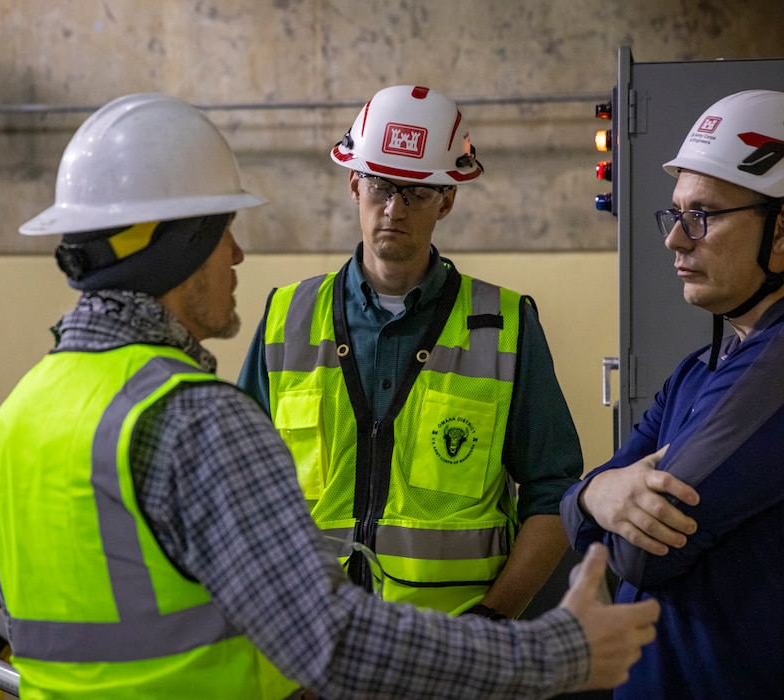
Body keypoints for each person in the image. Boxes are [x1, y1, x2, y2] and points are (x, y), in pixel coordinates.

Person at [0, 92, 659, 699]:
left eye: (415, 191)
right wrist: (554, 654)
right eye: (221, 233)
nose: (237, 256)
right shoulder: (192, 417)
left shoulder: (10, 421)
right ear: (175, 248)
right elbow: (324, 637)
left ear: (446, 198)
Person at [560, 89, 784, 699]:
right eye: (676, 214)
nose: (676, 240)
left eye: (704, 216)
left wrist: (598, 497)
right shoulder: (707, 366)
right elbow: (582, 532)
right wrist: (596, 492)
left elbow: (640, 560)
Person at [238, 84, 584, 622]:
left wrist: (494, 620)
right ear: (355, 184)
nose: (393, 208)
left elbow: (554, 493)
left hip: (455, 643)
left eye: (416, 192)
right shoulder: (288, 318)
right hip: (310, 640)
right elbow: (238, 487)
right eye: (379, 185)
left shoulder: (507, 326)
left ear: (447, 198)